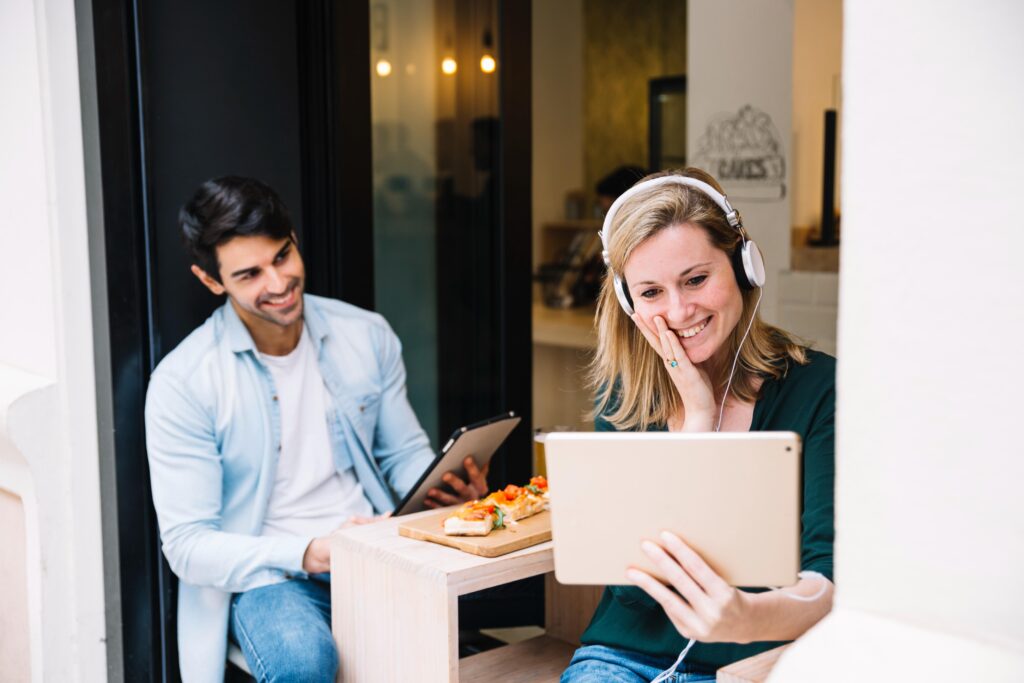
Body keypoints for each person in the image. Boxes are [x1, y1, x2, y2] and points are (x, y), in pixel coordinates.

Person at [145, 176, 488, 682]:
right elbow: (188, 546)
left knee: (460, 650)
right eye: (250, 274)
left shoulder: (365, 335)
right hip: (268, 576)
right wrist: (310, 551)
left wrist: (449, 489)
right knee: (304, 663)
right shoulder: (184, 382)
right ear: (211, 281)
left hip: (377, 550)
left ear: (295, 241)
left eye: (282, 256)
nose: (278, 283)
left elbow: (403, 455)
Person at [561, 168, 835, 682]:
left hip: (756, 661)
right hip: (622, 656)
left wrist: (746, 618)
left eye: (696, 279)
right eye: (651, 293)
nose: (679, 311)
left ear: (744, 267)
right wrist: (698, 424)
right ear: (629, 303)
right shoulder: (624, 399)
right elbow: (630, 584)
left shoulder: (819, 389)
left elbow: (828, 577)